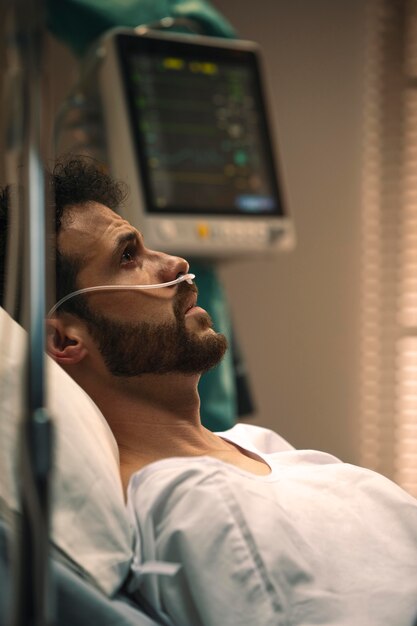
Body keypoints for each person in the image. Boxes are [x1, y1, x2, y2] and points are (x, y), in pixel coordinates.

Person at [1, 159, 417, 626]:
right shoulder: (187, 502)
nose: (176, 264)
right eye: (127, 257)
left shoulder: (263, 447)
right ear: (64, 340)